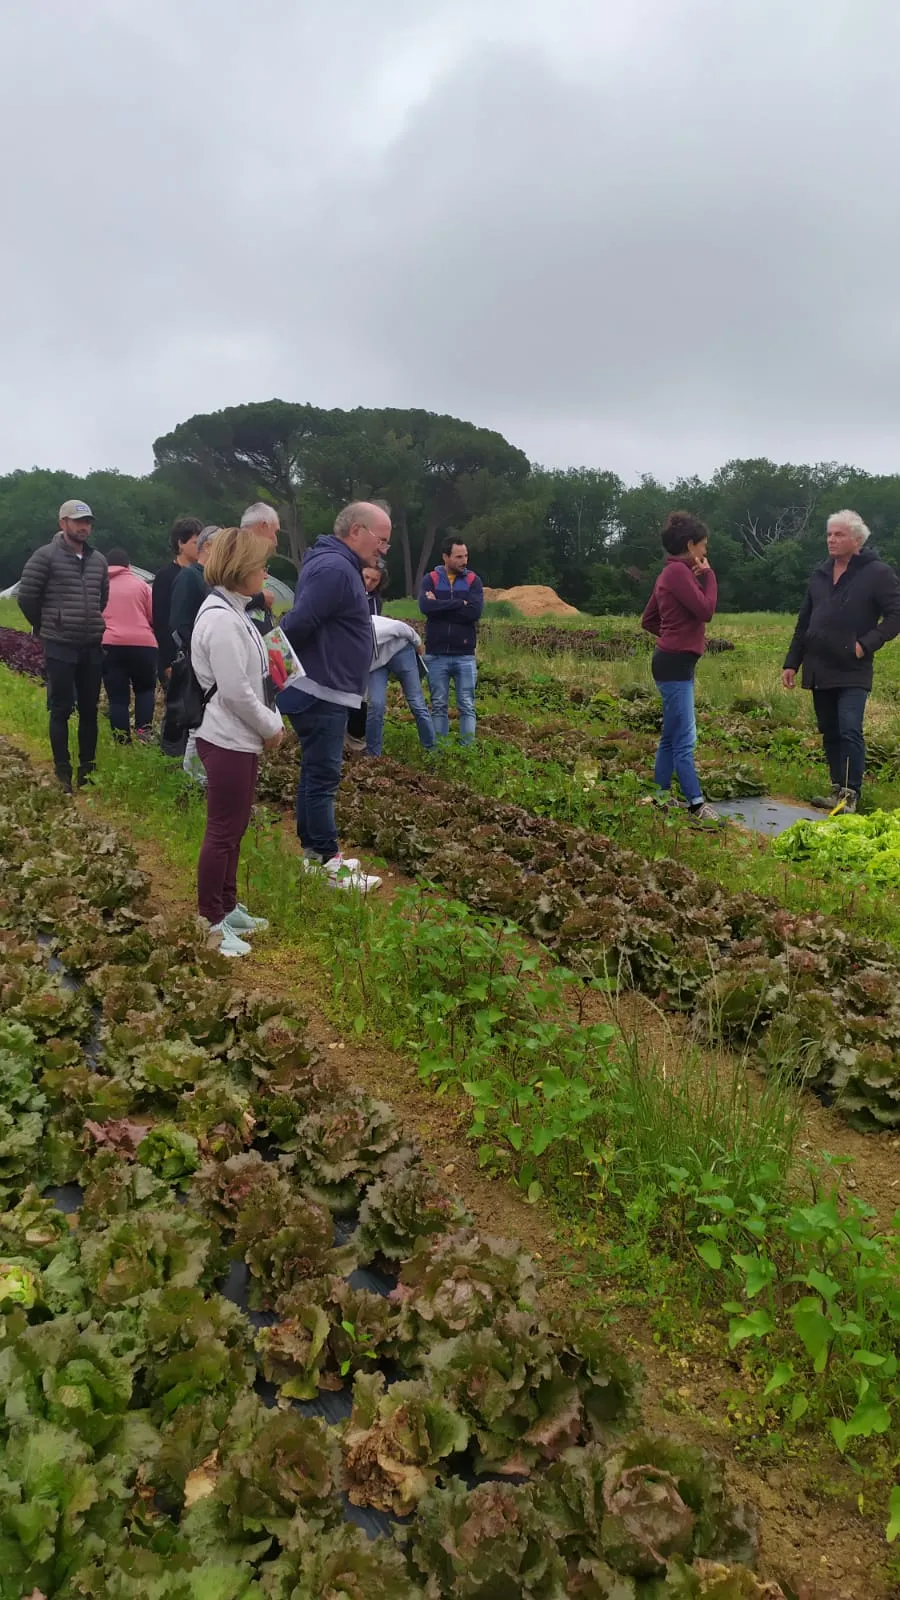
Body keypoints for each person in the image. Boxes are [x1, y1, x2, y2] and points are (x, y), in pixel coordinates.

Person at [278, 501, 388, 891]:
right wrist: (275, 657)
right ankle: (329, 864)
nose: (383, 549)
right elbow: (299, 621)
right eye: (381, 540)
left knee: (314, 773)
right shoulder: (335, 568)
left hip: (325, 687)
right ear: (356, 530)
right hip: (322, 689)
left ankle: (314, 856)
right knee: (323, 776)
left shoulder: (335, 563)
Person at [190, 526, 285, 957]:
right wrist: (271, 727)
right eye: (261, 565)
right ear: (241, 568)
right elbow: (235, 691)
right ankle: (209, 921)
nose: (265, 573)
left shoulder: (236, 611)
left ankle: (227, 908)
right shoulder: (222, 620)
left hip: (240, 737)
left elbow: (256, 678)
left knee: (235, 828)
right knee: (222, 832)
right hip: (226, 737)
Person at [782, 510, 900, 813]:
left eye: (839, 535)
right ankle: (837, 789)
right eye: (829, 534)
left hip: (852, 667)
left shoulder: (877, 573)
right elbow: (804, 621)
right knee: (831, 731)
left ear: (856, 539)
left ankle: (851, 795)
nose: (831, 540)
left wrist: (865, 644)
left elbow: (895, 615)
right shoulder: (820, 574)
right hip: (819, 665)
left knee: (850, 729)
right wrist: (792, 662)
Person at [17, 499, 109, 792]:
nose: (84, 527)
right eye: (78, 521)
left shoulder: (99, 561)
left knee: (89, 709)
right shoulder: (44, 557)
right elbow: (27, 597)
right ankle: (62, 770)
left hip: (91, 644)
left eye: (88, 522)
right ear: (62, 523)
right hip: (60, 644)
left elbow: (101, 599)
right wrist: (48, 625)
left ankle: (88, 769)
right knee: (60, 708)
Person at [640, 511, 722, 827]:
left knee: (671, 736)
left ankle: (661, 795)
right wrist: (709, 576)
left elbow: (649, 620)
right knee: (686, 739)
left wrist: (673, 635)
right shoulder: (678, 574)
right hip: (674, 664)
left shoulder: (672, 574)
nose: (705, 553)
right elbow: (706, 610)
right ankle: (696, 803)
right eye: (703, 546)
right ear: (690, 545)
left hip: (673, 661)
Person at [418, 537, 484, 745]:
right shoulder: (430, 579)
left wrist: (441, 605)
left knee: (467, 704)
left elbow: (473, 613)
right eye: (458, 556)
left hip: (464, 654)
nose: (464, 560)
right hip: (436, 654)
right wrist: (458, 603)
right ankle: (441, 751)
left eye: (465, 555)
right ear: (446, 557)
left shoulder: (474, 580)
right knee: (438, 705)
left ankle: (467, 750)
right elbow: (425, 608)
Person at [366, 569, 435, 757]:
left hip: (400, 651)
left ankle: (431, 750)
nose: (369, 582)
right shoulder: (347, 649)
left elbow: (402, 628)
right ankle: (373, 756)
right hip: (377, 661)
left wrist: (418, 644)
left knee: (415, 701)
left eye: (374, 579)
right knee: (376, 704)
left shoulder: (374, 626)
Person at [171, 525, 218, 783]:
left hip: (208, 660)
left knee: (206, 719)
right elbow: (179, 623)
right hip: (197, 662)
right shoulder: (190, 577)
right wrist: (195, 653)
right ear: (207, 546)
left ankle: (199, 777)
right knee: (197, 720)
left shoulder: (212, 579)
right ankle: (192, 779)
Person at [101, 548, 158, 742]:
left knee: (117, 698)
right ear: (128, 566)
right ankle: (143, 733)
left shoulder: (100, 587)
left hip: (110, 645)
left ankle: (122, 740)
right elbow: (153, 616)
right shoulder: (141, 585)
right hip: (143, 645)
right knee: (145, 690)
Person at [152, 516, 203, 680]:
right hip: (176, 655)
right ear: (181, 543)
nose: (200, 548)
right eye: (196, 543)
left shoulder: (204, 575)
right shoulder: (166, 576)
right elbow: (161, 620)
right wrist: (167, 662)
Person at [240, 503, 279, 633]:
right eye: (275, 532)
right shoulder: (234, 552)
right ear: (263, 526)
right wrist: (260, 599)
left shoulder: (249, 553)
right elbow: (221, 594)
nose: (276, 541)